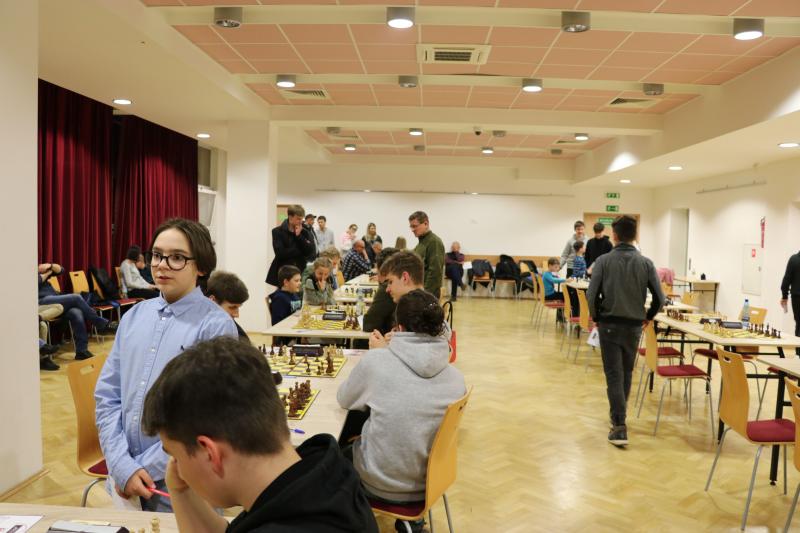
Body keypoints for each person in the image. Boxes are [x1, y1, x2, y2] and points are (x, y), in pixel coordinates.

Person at [141, 336, 379, 533]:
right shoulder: (327, 472)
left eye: (176, 457)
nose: (178, 471)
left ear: (209, 453)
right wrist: (181, 491)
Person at [95, 218, 238, 512]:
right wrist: (121, 464)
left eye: (177, 258)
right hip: (124, 481)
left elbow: (207, 417)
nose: (162, 265)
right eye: (157, 255)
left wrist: (145, 469)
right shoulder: (133, 317)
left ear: (201, 266)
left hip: (182, 483)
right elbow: (107, 396)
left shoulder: (215, 326)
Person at [337, 290, 466, 533]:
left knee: (330, 453)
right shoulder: (457, 379)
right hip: (430, 484)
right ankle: (412, 523)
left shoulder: (377, 362)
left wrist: (381, 352)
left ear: (399, 327)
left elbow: (344, 399)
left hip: (380, 483)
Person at [586, 215, 664, 448]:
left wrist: (596, 316)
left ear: (615, 235)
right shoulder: (646, 263)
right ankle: (620, 416)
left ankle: (619, 425)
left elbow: (592, 294)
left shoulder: (603, 261)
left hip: (609, 324)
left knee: (614, 374)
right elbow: (660, 298)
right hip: (633, 326)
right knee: (627, 372)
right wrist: (648, 317)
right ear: (635, 235)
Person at [38, 262, 117, 360]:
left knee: (76, 312)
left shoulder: (41, 270)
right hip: (42, 302)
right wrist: (46, 273)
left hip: (55, 301)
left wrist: (51, 266)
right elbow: (37, 281)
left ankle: (81, 351)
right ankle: (100, 323)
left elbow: (61, 270)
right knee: (76, 297)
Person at [266, 205, 316, 288]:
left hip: (300, 271)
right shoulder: (277, 231)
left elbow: (309, 252)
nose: (301, 221)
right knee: (284, 295)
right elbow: (280, 253)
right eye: (298, 219)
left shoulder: (304, 231)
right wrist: (300, 250)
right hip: (284, 272)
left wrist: (299, 236)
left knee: (298, 295)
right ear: (290, 217)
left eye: (302, 219)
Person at [362, 247, 400, 336]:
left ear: (381, 270)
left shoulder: (386, 289)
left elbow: (368, 325)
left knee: (358, 341)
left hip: (386, 339)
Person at [205, 270, 250, 343]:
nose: (237, 315)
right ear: (212, 301)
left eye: (238, 307)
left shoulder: (235, 330)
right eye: (232, 307)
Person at [409, 211, 445, 297]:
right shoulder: (421, 243)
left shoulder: (434, 242)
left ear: (426, 224)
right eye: (411, 226)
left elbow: (435, 272)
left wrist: (424, 295)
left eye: (415, 226)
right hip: (419, 291)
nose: (412, 230)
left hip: (426, 295)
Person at [781, 249, 800, 355]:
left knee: (799, 324)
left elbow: (786, 279)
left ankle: (799, 353)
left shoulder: (794, 260)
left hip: (797, 297)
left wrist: (784, 296)